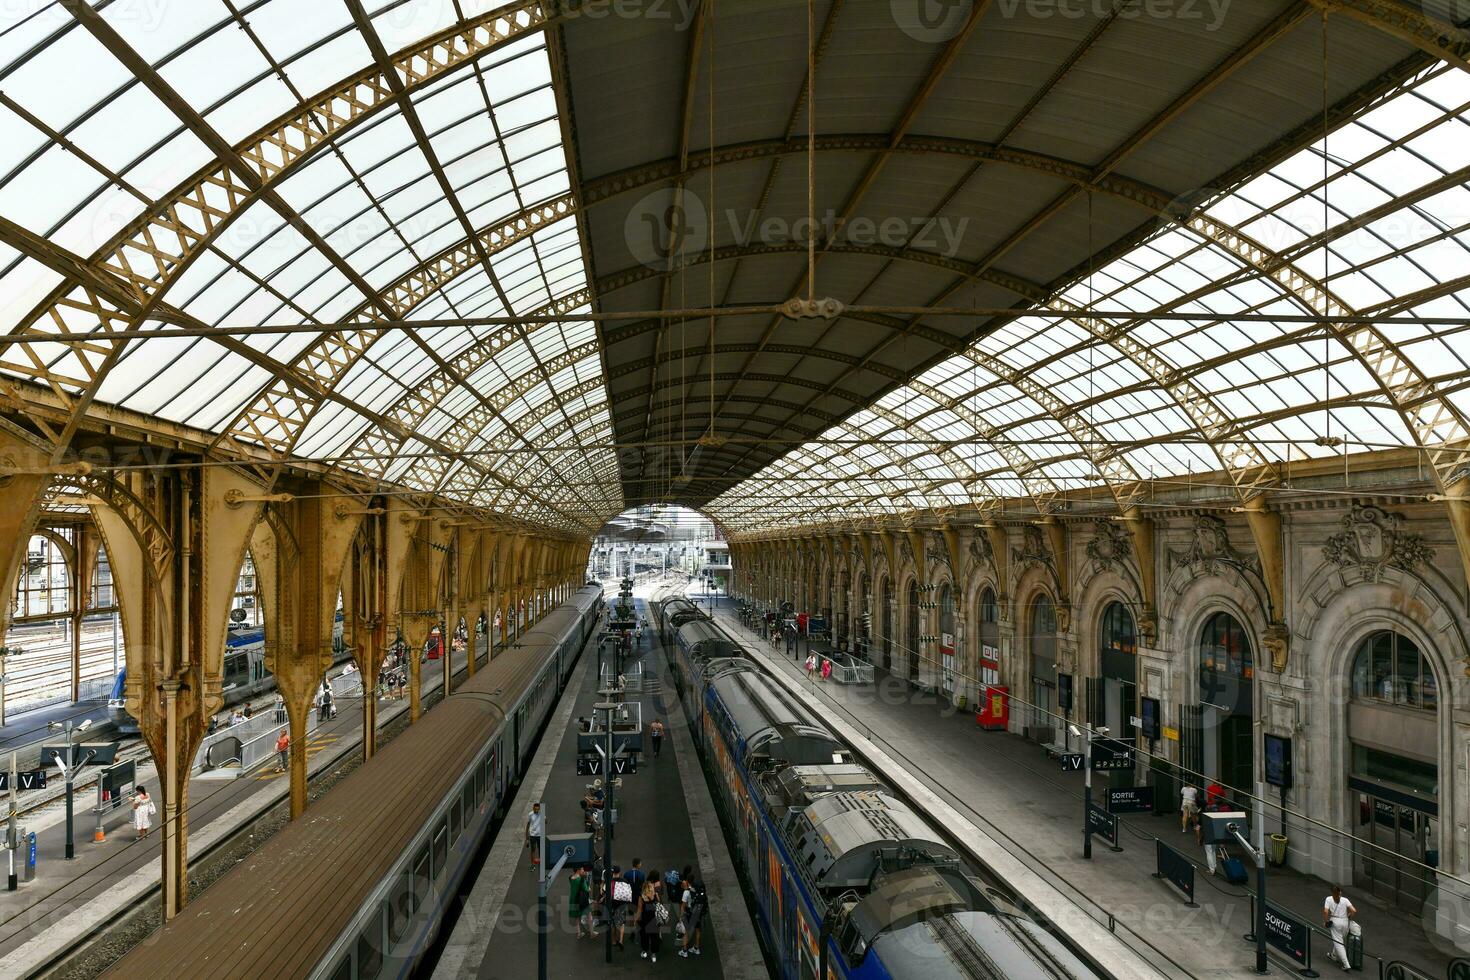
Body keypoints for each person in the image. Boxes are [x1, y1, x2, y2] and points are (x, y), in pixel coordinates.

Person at [1323, 885, 1356, 970]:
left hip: (1335, 922)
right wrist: (1349, 916)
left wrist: (1326, 922)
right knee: (1339, 940)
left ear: (1332, 892)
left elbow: (1325, 911)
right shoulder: (1345, 900)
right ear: (1340, 892)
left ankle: (1346, 964)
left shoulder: (1328, 899)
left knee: (1339, 943)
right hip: (1345, 922)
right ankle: (1334, 955)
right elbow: (1354, 910)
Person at [635, 879, 664, 963]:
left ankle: (644, 951)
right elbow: (659, 905)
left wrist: (636, 919)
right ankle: (653, 954)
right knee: (654, 937)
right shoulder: (655, 895)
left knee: (644, 936)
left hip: (644, 919)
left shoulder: (642, 897)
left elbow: (640, 909)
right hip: (654, 919)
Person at [678, 878, 706, 957]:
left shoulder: (687, 892)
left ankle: (684, 951)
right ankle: (696, 948)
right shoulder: (701, 893)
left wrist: (681, 917)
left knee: (686, 932)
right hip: (698, 913)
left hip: (690, 914)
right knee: (697, 930)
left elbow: (683, 906)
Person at [569, 865, 593, 939]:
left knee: (577, 917)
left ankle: (579, 933)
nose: (583, 870)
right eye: (582, 869)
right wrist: (588, 887)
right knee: (589, 915)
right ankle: (592, 933)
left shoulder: (570, 878)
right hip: (581, 900)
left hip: (573, 900)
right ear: (578, 870)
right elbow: (587, 890)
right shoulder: (581, 879)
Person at [525, 801, 544, 871]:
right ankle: (532, 865)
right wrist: (526, 838)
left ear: (539, 809)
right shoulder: (530, 814)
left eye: (537, 809)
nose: (536, 810)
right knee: (533, 850)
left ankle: (541, 863)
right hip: (532, 835)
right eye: (535, 809)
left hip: (540, 835)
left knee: (541, 850)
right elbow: (528, 825)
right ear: (533, 808)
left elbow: (546, 821)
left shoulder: (542, 814)